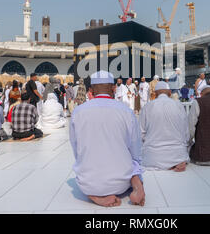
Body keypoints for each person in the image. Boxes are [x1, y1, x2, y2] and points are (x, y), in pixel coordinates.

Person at [69, 71, 145, 208]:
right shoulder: (126, 111)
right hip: (122, 182)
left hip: (89, 182)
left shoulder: (78, 112)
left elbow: (76, 149)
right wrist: (137, 174)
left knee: (83, 168)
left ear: (91, 90)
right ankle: (136, 183)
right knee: (133, 161)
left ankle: (94, 194)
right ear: (114, 88)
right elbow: (135, 149)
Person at [139, 81, 190, 172]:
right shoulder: (178, 105)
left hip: (153, 158)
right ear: (169, 93)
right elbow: (186, 133)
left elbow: (140, 134)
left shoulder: (147, 106)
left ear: (155, 94)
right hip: (178, 157)